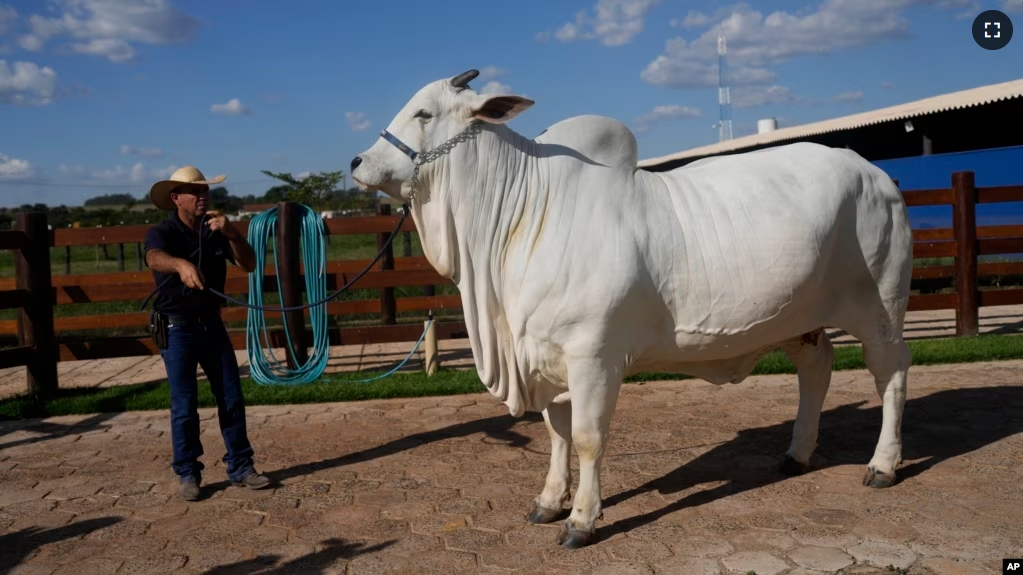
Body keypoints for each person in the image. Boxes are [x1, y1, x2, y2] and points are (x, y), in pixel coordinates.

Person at [143, 165, 270, 501]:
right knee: (184, 404)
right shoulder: (162, 232)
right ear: (176, 198)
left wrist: (233, 235)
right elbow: (154, 258)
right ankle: (188, 472)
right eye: (195, 192)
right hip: (177, 328)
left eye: (205, 191)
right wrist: (181, 265)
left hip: (211, 325)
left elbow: (250, 264)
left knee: (231, 397)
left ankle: (241, 466)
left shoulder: (217, 230)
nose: (202, 197)